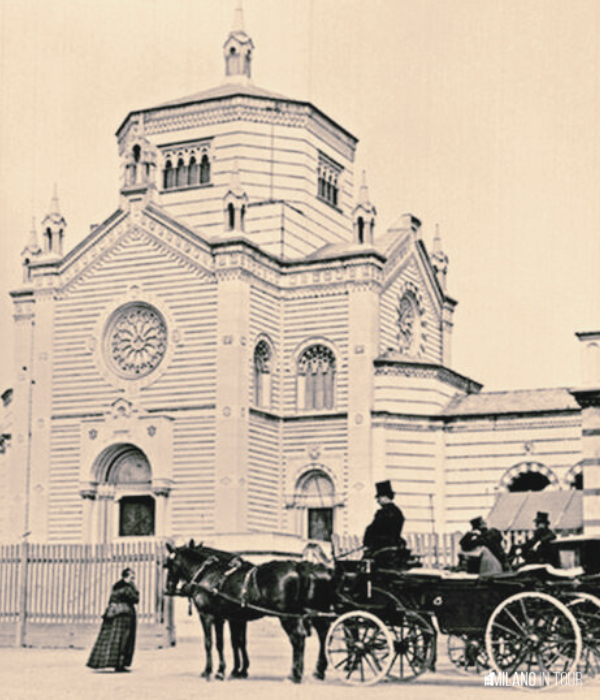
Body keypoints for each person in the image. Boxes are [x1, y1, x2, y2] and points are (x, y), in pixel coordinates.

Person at [87, 568, 139, 673]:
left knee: (112, 638)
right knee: (124, 639)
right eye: (131, 577)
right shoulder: (127, 588)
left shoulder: (116, 587)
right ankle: (120, 664)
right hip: (125, 614)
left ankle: (105, 662)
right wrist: (135, 589)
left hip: (113, 613)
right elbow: (135, 599)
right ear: (125, 577)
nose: (133, 580)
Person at [363, 480, 405, 562]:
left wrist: (368, 543)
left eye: (379, 497)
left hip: (382, 547)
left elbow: (373, 529)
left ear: (385, 497)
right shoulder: (398, 512)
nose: (377, 500)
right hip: (394, 545)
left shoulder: (383, 513)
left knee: (365, 561)